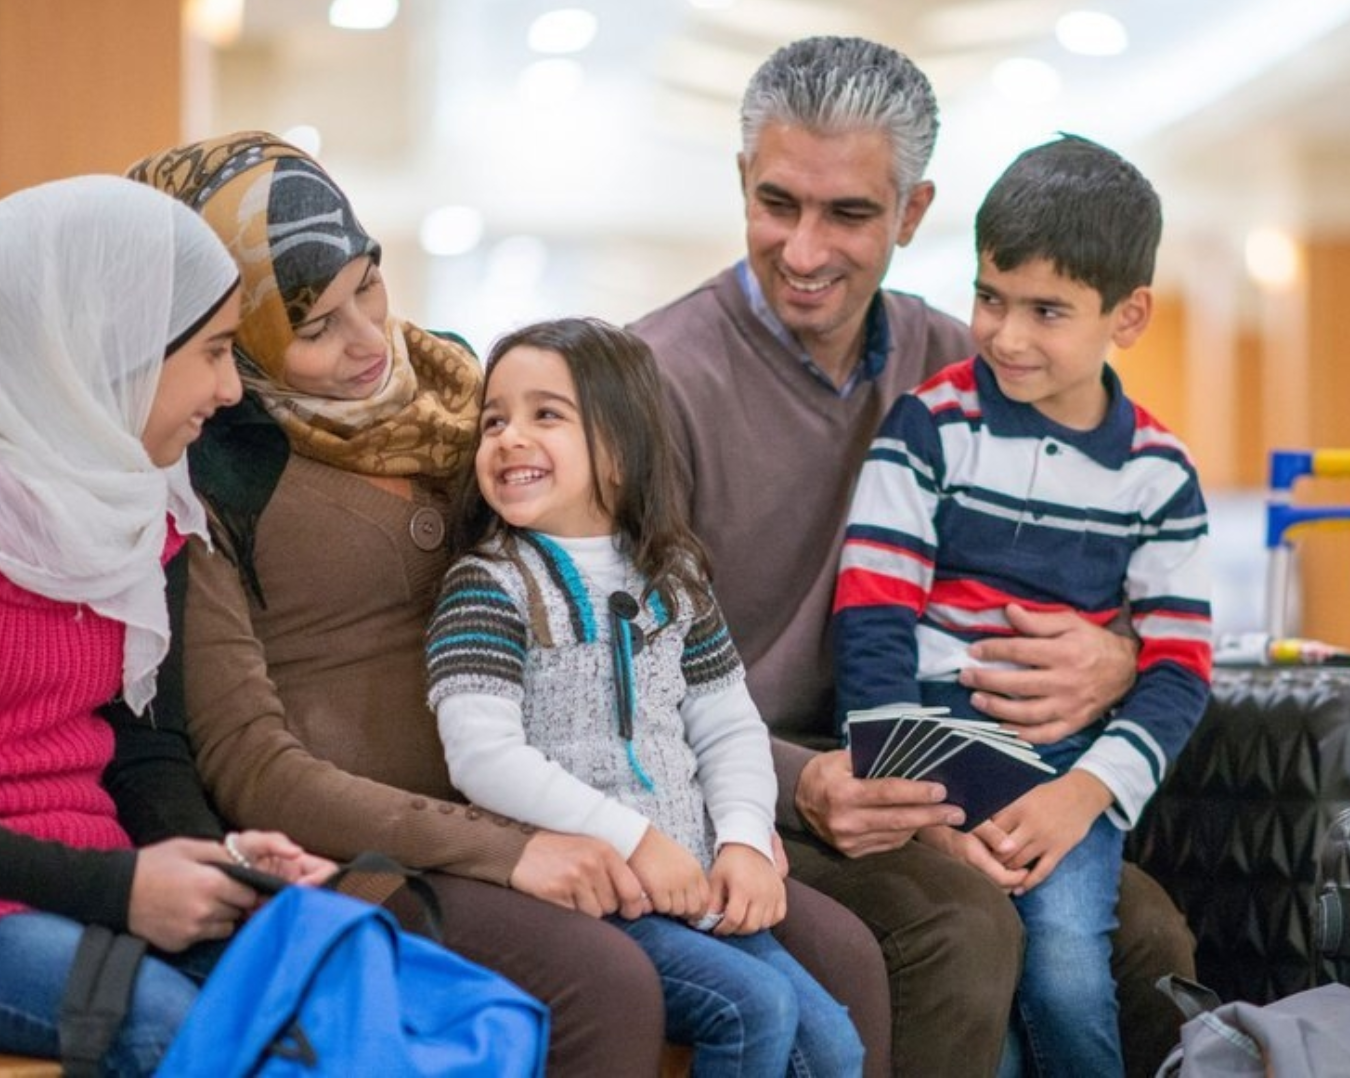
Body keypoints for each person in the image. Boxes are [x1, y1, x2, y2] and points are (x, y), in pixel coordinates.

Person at [129, 131, 890, 1075]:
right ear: (236, 334)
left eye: (367, 284)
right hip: (391, 853)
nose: (369, 342)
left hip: (576, 794)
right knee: (609, 983)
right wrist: (510, 847)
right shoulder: (209, 472)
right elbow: (253, 764)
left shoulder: (460, 400)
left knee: (848, 953)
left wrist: (758, 803)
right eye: (314, 326)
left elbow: (631, 653)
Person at [631, 36, 1199, 1077]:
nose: (804, 250)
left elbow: (1139, 576)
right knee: (966, 931)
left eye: (847, 213)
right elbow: (619, 679)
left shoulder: (979, 361)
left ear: (913, 212)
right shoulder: (650, 379)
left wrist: (1119, 653)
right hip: (738, 782)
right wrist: (806, 781)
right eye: (776, 203)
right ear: (740, 185)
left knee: (1149, 939)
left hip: (948, 759)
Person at [0, 175, 330, 1076]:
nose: (231, 389)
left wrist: (219, 855)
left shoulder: (138, 496)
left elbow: (143, 747)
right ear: (108, 347)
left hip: (92, 879)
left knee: (322, 997)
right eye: (211, 352)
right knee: (175, 1030)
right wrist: (121, 888)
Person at [831, 134, 1213, 1076]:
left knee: (1069, 976)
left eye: (1048, 310)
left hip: (1075, 774)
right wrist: (921, 804)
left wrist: (1083, 797)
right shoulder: (928, 428)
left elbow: (1179, 672)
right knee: (978, 965)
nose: (1005, 334)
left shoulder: (1158, 476)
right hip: (932, 749)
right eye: (990, 297)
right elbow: (872, 624)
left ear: (1128, 316)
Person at [428, 318, 864, 1077]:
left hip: (692, 884)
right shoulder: (489, 585)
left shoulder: (674, 577)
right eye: (494, 419)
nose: (508, 436)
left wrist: (743, 838)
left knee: (834, 1044)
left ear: (622, 451)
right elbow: (481, 755)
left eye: (545, 414)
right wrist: (633, 839)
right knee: (751, 1008)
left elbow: (729, 726)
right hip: (589, 894)